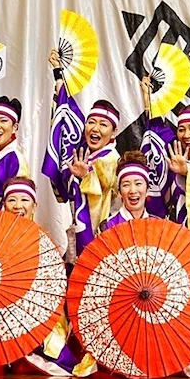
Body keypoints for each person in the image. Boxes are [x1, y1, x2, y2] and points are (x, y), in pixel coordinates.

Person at [0, 177, 79, 377]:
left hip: (35, 312)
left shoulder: (43, 242)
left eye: (25, 200)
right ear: (4, 205)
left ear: (34, 206)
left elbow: (53, 288)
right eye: (12, 200)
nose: (18, 206)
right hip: (0, 308)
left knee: (60, 355)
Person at [47, 49, 122, 254]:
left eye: (103, 124)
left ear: (114, 132)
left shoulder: (111, 159)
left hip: (102, 236)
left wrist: (86, 176)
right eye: (91, 122)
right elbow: (66, 112)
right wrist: (58, 74)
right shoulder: (83, 154)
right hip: (79, 231)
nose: (95, 128)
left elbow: (103, 185)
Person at [139, 77, 190, 248]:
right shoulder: (177, 151)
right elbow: (157, 132)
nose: (186, 135)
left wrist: (187, 169)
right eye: (181, 129)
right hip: (175, 232)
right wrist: (148, 100)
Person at [101, 151, 153, 230]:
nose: (132, 190)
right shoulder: (108, 226)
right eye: (126, 185)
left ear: (147, 190)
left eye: (138, 183)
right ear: (120, 192)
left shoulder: (159, 226)